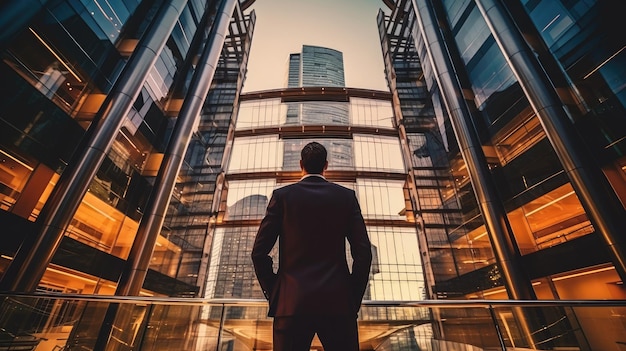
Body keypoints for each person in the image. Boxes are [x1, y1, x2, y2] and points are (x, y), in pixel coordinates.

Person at [251, 141, 372, 351]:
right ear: (326, 165)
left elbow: (258, 253)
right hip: (338, 303)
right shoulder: (346, 197)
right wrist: (351, 296)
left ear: (301, 164)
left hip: (291, 303)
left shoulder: (282, 197)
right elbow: (363, 254)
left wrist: (278, 291)